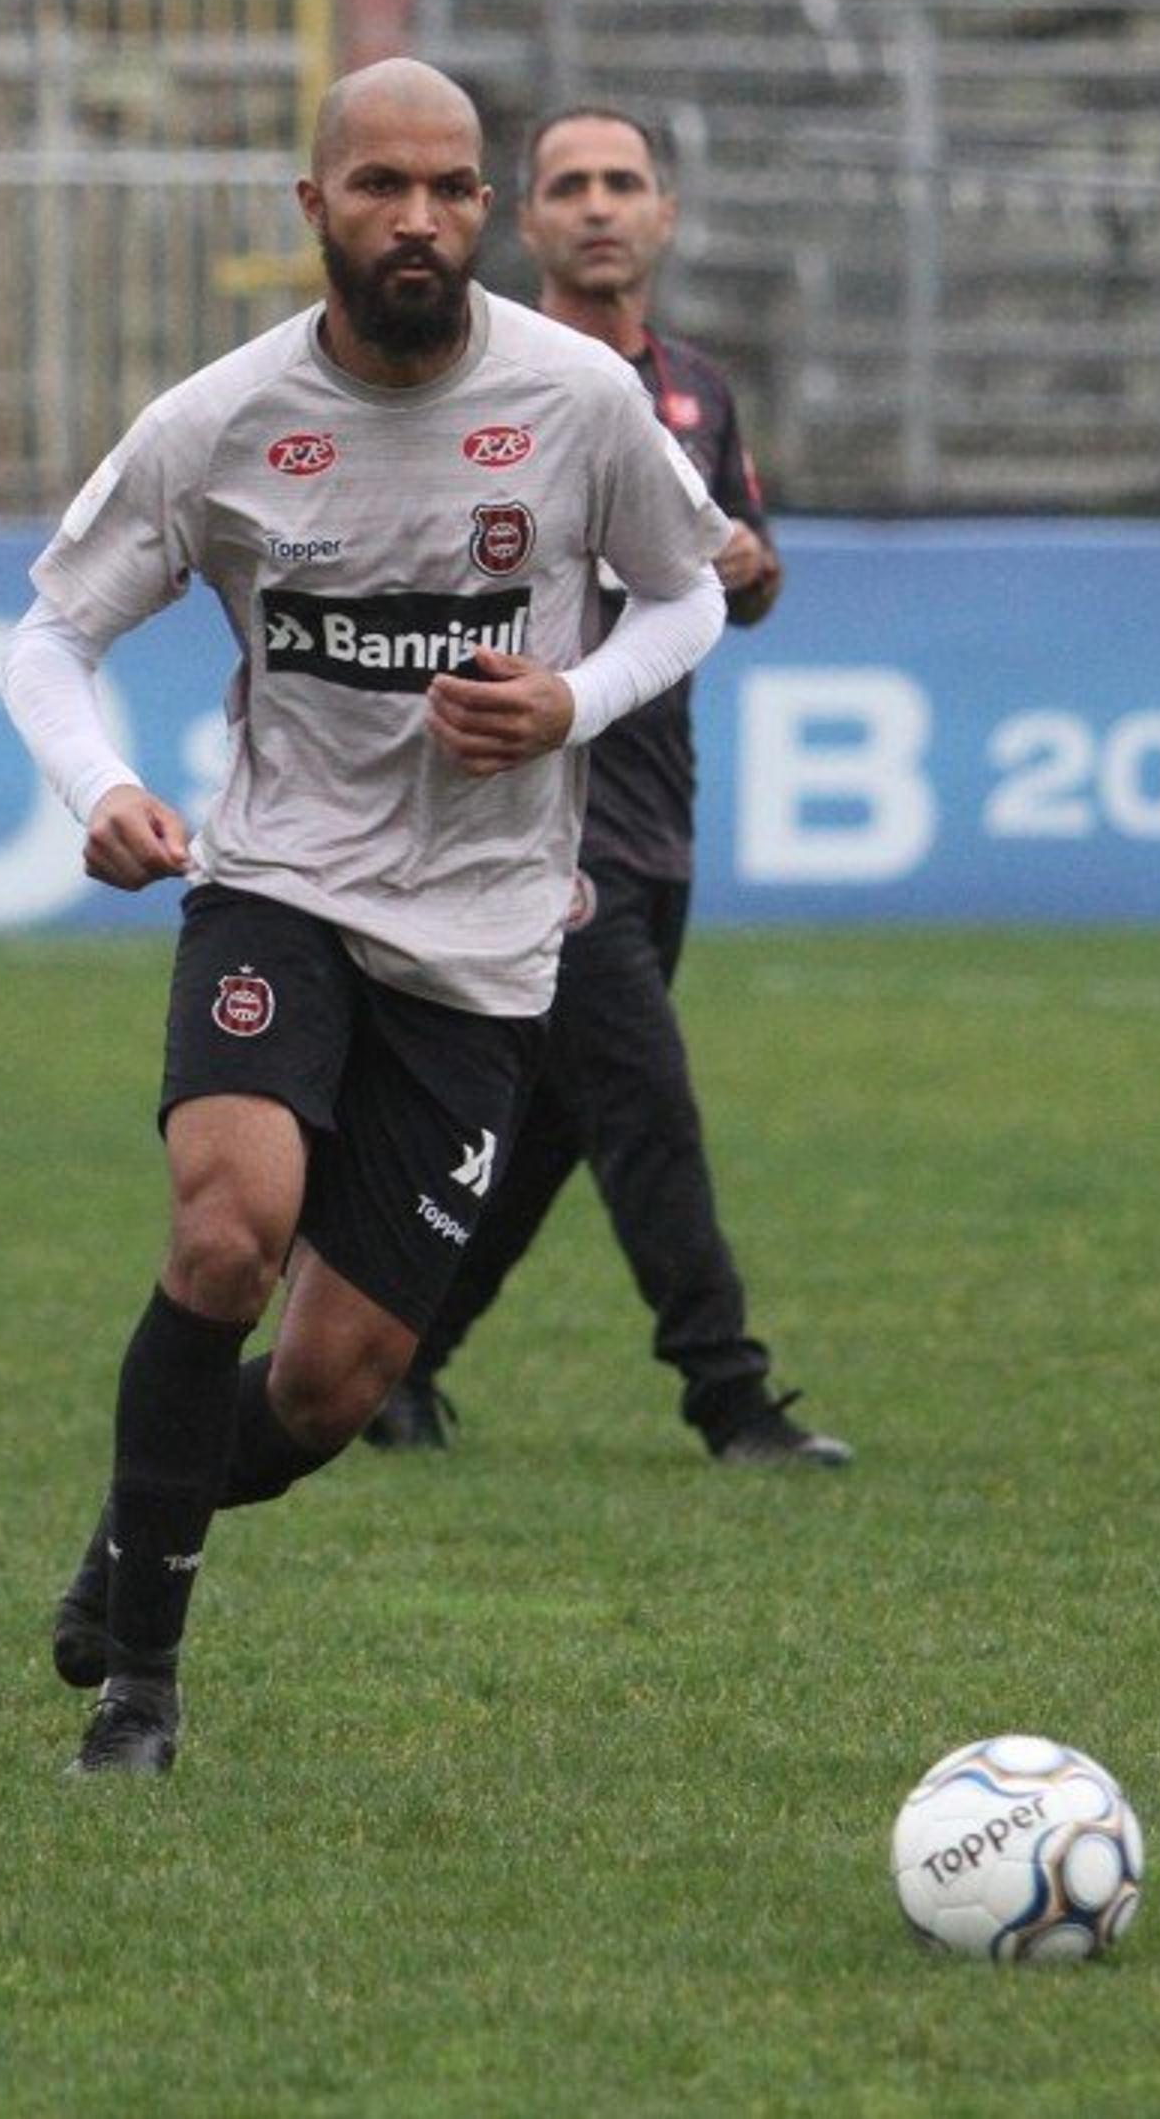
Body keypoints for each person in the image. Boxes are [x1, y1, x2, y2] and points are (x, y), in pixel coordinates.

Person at [2, 58, 737, 1775]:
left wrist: (574, 700)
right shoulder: (220, 421)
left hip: (484, 939)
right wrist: (98, 786)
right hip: (279, 888)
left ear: (483, 208)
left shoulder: (576, 398)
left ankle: (130, 1534)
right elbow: (51, 635)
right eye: (383, 185)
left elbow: (689, 590)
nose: (420, 218)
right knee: (224, 1232)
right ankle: (143, 1691)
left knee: (335, 1386)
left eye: (453, 188)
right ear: (314, 204)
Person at [361, 105, 850, 1468]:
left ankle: (384, 1365)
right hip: (537, 817)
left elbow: (733, 581)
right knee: (645, 1106)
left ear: (665, 214)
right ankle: (728, 1395)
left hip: (656, 809)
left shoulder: (696, 392)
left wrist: (753, 573)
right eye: (568, 185)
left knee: (562, 1122)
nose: (597, 206)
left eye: (622, 183)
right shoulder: (479, 377)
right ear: (528, 223)